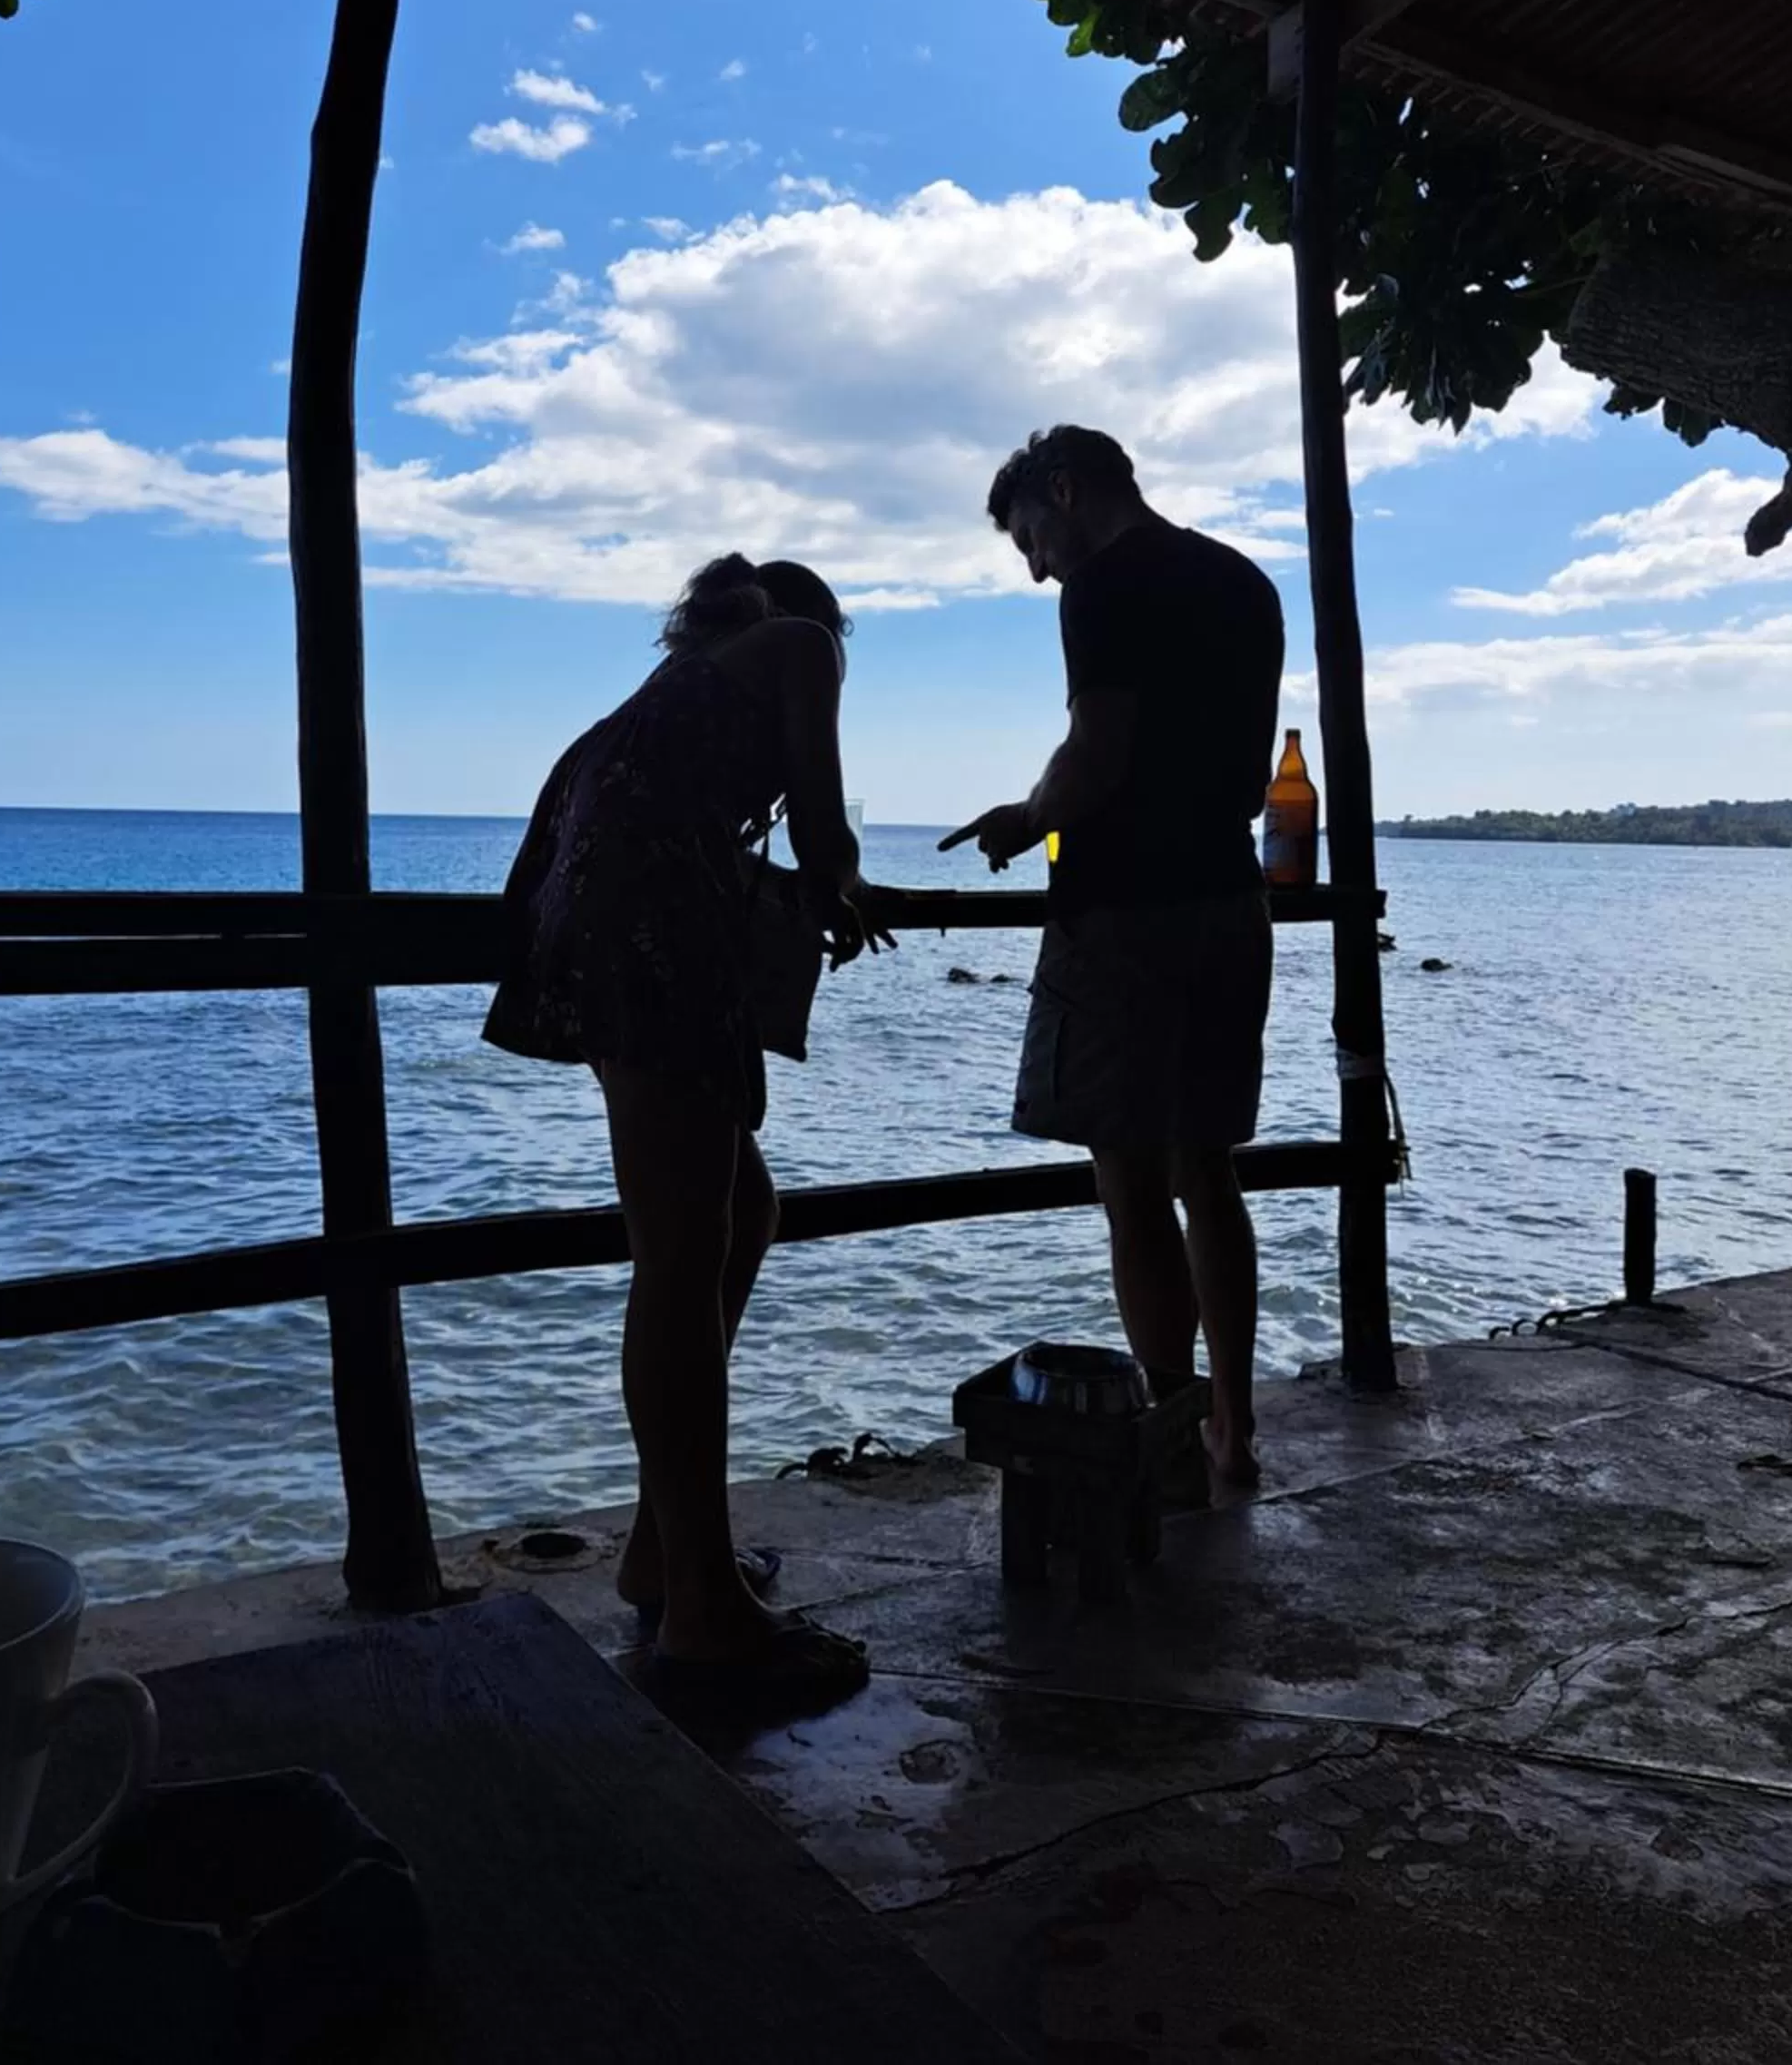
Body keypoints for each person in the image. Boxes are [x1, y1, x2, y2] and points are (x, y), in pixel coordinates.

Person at [484, 553, 891, 1697]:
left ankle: (664, 1551)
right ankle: (703, 1613)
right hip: (656, 932)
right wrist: (850, 883)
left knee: (739, 1210)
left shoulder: (661, 694)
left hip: (595, 930)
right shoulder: (800, 650)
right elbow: (824, 832)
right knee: (675, 1257)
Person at [940, 427, 1284, 1488]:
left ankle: (1172, 1436)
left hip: (1126, 915)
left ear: (1065, 490)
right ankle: (1234, 1427)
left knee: (1132, 1185)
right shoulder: (1244, 581)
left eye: (1032, 537)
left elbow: (1099, 753)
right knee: (1210, 1173)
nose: (1038, 564)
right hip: (1232, 901)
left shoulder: (1100, 588)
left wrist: (1026, 817)